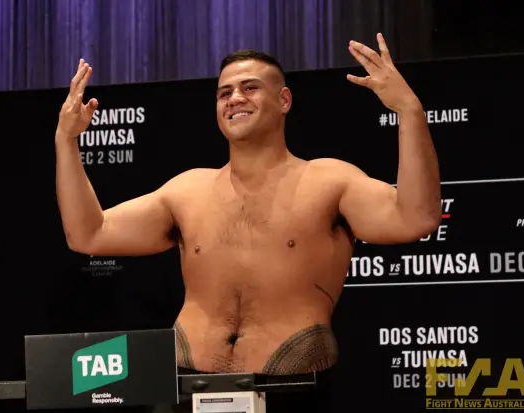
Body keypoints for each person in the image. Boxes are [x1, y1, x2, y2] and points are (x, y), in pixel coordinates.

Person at [55, 33, 441, 411]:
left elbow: (415, 218)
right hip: (186, 385)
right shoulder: (187, 190)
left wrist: (409, 110)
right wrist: (66, 141)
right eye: (224, 92)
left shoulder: (330, 181)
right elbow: (89, 234)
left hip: (293, 388)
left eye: (250, 87)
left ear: (284, 100)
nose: (235, 98)